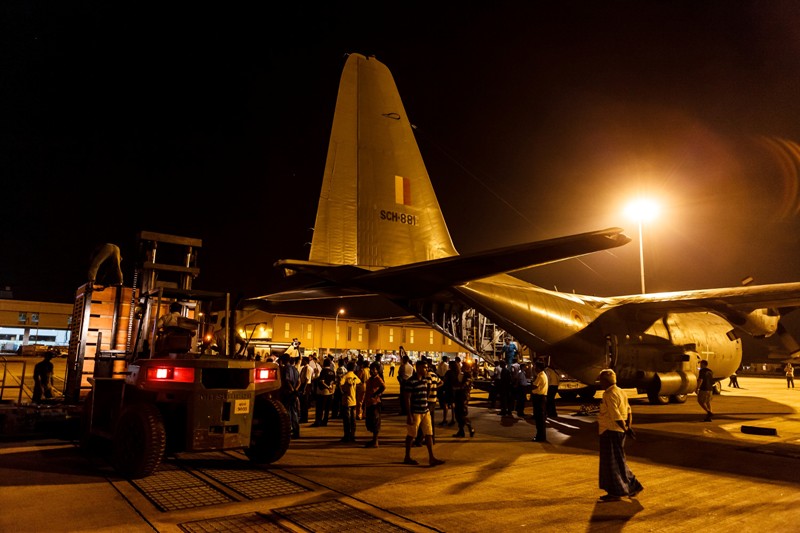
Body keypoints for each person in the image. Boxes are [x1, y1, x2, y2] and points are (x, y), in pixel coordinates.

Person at [596, 369, 643, 502]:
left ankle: (617, 491)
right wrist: (628, 427)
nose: (600, 383)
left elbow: (615, 414)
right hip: (619, 431)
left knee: (611, 463)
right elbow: (628, 411)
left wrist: (626, 429)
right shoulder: (621, 392)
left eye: (601, 380)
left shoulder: (609, 394)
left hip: (610, 431)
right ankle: (631, 486)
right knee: (619, 460)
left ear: (605, 381)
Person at [403, 360, 445, 467]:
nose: (426, 369)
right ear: (417, 368)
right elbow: (407, 399)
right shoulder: (410, 381)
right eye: (423, 367)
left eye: (426, 367)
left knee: (429, 434)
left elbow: (426, 392)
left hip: (425, 411)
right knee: (411, 435)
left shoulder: (426, 380)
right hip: (415, 412)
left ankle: (431, 457)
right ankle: (407, 456)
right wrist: (409, 414)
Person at [363, 361, 386, 448]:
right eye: (371, 369)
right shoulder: (371, 379)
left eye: (373, 369)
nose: (371, 371)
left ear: (377, 370)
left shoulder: (377, 378)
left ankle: (375, 441)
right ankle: (373, 440)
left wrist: (376, 394)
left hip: (375, 403)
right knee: (370, 423)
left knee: (375, 422)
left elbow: (383, 387)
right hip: (369, 402)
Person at [451, 361, 475, 438]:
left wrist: (458, 387)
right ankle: (461, 431)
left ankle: (470, 427)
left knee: (462, 414)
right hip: (458, 395)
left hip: (463, 396)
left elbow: (466, 384)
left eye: (463, 366)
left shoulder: (468, 374)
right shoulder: (461, 374)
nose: (461, 367)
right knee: (458, 414)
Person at [339, 361, 361, 443]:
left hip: (346, 401)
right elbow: (359, 383)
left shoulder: (345, 376)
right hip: (354, 401)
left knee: (346, 420)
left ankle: (346, 436)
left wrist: (343, 392)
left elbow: (340, 384)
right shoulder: (355, 376)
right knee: (353, 420)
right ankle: (353, 436)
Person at [311, 358, 336, 427]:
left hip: (322, 392)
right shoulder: (332, 372)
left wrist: (327, 387)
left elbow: (322, 381)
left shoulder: (323, 371)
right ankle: (325, 422)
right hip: (330, 393)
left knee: (320, 408)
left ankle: (318, 422)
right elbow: (333, 382)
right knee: (327, 409)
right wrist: (331, 390)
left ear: (324, 363)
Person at [530, 360, 548, 442]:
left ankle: (540, 437)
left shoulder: (540, 376)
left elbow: (534, 386)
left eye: (535, 366)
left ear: (539, 367)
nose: (534, 368)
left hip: (539, 398)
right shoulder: (542, 374)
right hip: (541, 398)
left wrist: (530, 385)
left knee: (539, 419)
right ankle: (540, 436)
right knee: (540, 419)